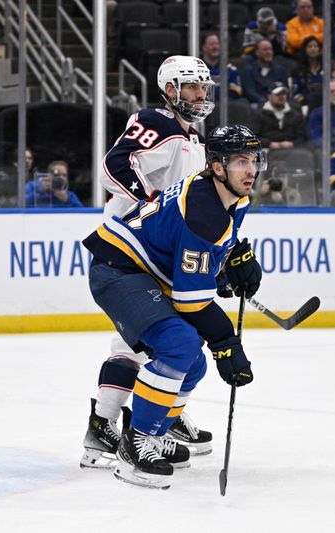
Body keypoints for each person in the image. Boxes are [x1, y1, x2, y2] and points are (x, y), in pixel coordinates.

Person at [82, 125, 262, 489]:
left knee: (191, 360)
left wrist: (228, 265)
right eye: (241, 161)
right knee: (179, 343)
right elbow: (191, 301)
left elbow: (205, 253)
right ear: (216, 166)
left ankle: (156, 431)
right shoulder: (203, 213)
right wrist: (226, 342)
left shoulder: (231, 199)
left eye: (255, 160)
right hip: (118, 270)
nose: (251, 170)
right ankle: (136, 444)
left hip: (145, 270)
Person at [81, 55, 214, 472]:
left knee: (141, 342)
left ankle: (126, 424)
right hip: (130, 247)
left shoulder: (191, 135)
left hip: (155, 251)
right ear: (171, 89)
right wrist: (151, 205)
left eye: (203, 86)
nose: (201, 93)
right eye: (192, 86)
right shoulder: (159, 121)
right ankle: (138, 423)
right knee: (157, 340)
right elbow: (114, 167)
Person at [253, 82, 308, 151]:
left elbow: (303, 137)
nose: (281, 97)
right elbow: (251, 139)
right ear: (269, 96)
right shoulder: (259, 114)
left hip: (292, 150)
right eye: (277, 94)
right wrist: (269, 144)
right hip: (266, 150)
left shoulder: (295, 114)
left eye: (283, 94)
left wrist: (292, 143)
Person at [241, 39, 288, 108]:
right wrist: (266, 102)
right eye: (265, 50)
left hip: (277, 103)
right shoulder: (249, 70)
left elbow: (283, 89)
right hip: (257, 103)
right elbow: (250, 92)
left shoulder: (280, 70)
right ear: (257, 52)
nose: (268, 52)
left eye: (270, 49)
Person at [201, 33, 243, 101]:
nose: (215, 47)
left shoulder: (230, 69)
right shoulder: (197, 70)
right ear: (204, 47)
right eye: (211, 44)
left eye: (217, 44)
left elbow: (236, 92)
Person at [291, 36, 323, 110]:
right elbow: (296, 93)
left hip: (324, 103)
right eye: (310, 46)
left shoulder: (326, 68)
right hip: (305, 105)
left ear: (319, 49)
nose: (313, 49)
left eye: (315, 46)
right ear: (304, 49)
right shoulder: (298, 70)